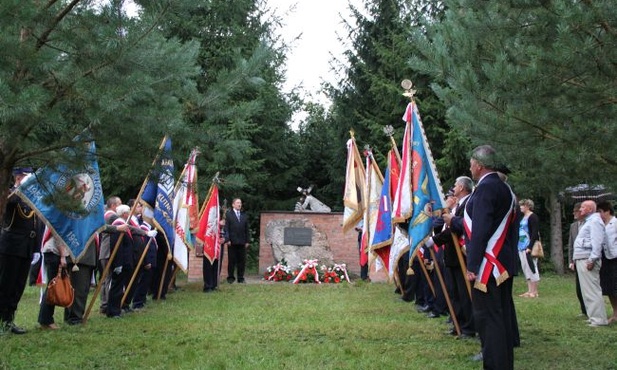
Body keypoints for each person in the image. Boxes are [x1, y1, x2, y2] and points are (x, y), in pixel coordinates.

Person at [444, 145, 518, 370]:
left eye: (471, 163)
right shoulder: (502, 187)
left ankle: (495, 365)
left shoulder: (486, 188)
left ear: (479, 165)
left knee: (488, 318)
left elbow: (481, 229)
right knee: (499, 315)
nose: (470, 167)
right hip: (500, 262)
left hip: (489, 263)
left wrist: (473, 265)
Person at [428, 177, 475, 338]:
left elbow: (455, 230)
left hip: (461, 255)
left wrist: (433, 240)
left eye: (455, 185)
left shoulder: (468, 204)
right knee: (454, 293)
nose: (453, 188)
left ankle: (468, 328)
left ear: (461, 187)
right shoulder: (458, 206)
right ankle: (458, 324)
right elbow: (442, 227)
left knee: (463, 294)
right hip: (451, 256)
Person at [0, 167, 42, 335]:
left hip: (26, 247)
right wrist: (19, 188)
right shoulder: (11, 195)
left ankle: (9, 320)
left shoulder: (31, 199)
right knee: (5, 285)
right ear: (18, 178)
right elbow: (8, 203)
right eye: (26, 178)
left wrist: (36, 248)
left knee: (18, 287)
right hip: (10, 247)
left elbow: (36, 224)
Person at [573, 200, 608, 327]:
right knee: (586, 290)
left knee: (592, 290)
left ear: (589, 209)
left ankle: (599, 319)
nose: (580, 209)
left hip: (587, 259)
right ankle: (592, 316)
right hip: (582, 258)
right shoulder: (589, 222)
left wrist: (592, 259)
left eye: (582, 207)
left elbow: (597, 242)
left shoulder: (595, 222)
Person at [37, 232, 69, 330]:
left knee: (52, 287)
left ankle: (45, 319)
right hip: (54, 252)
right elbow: (58, 234)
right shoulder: (59, 217)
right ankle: (46, 321)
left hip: (54, 252)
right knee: (52, 288)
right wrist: (63, 255)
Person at [597, 201, 617, 323]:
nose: (599, 214)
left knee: (615, 286)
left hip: (615, 257)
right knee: (609, 288)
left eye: (600, 212)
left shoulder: (615, 223)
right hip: (605, 258)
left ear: (607, 211)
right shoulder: (601, 224)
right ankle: (615, 313)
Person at [517, 199, 541, 298]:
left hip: (528, 246)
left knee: (532, 267)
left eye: (522, 205)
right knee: (525, 267)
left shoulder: (532, 217)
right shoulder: (523, 217)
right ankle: (529, 290)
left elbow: (535, 233)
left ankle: (534, 291)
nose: (520, 207)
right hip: (521, 246)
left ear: (527, 206)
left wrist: (530, 247)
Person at [567, 202, 587, 317]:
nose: (573, 213)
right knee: (579, 288)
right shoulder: (573, 226)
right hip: (576, 258)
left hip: (586, 258)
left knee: (587, 288)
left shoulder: (589, 224)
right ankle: (584, 310)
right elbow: (571, 244)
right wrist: (571, 260)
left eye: (575, 211)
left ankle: (591, 311)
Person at [224, 198, 250, 284]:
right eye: (238, 203)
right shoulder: (229, 214)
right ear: (233, 204)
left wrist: (247, 241)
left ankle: (240, 278)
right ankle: (231, 278)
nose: (239, 204)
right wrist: (227, 239)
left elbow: (247, 229)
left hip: (242, 242)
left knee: (242, 261)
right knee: (232, 261)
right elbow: (226, 228)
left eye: (240, 203)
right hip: (232, 242)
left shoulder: (244, 215)